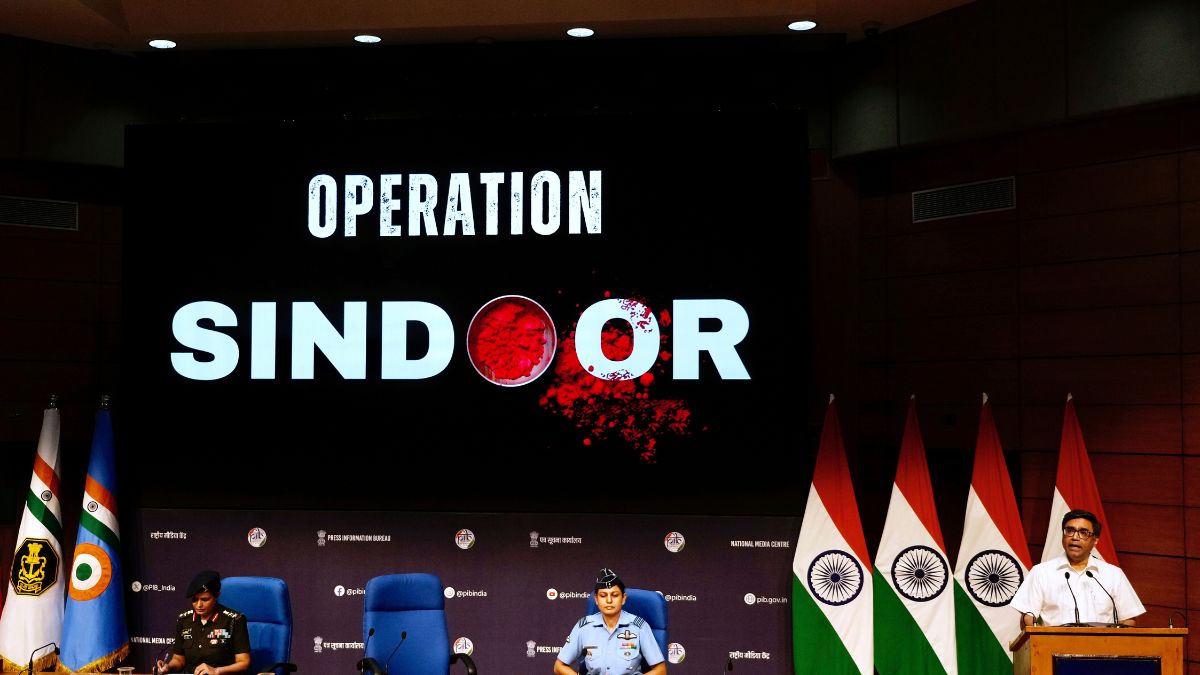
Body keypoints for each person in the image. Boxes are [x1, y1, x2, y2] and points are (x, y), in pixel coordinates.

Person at [1009, 509, 1145, 628]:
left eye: (1083, 532)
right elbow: (1027, 618)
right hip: (1054, 647)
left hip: (1103, 648)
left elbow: (1128, 619)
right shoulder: (1041, 572)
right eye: (1070, 530)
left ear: (1095, 540)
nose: (1075, 537)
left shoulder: (1113, 574)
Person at [554, 568, 666, 675]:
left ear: (623, 598)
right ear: (596, 599)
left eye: (614, 595)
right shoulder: (583, 627)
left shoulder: (639, 626)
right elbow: (559, 666)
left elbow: (660, 671)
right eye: (603, 596)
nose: (609, 600)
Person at [156, 570, 251, 675]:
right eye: (194, 600)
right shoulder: (184, 620)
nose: (199, 605)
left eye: (205, 599)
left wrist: (216, 671)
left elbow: (244, 662)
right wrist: (168, 667)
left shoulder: (234, 620)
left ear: (217, 595)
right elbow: (179, 660)